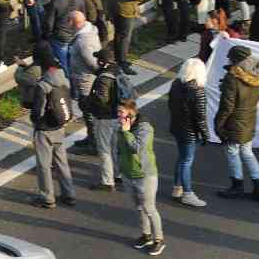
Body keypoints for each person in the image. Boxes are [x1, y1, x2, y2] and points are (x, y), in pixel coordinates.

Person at [29, 48, 76, 209]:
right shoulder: (64, 79)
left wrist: (35, 121)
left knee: (44, 165)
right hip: (60, 125)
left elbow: (38, 111)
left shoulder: (43, 85)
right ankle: (69, 194)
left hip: (44, 130)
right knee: (62, 162)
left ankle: (47, 197)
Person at [118, 99, 165, 256]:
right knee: (138, 207)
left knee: (149, 209)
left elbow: (138, 149)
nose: (118, 115)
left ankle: (159, 239)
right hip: (127, 173)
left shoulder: (145, 128)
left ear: (130, 113)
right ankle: (146, 235)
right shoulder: (121, 125)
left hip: (144, 175)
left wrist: (126, 132)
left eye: (120, 112)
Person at [214, 45, 259, 199]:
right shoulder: (256, 74)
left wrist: (218, 124)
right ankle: (257, 186)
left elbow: (227, 107)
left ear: (235, 60)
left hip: (234, 122)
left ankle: (237, 186)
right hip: (249, 120)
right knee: (247, 152)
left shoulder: (232, 78)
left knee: (232, 151)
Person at [167, 57, 209, 207]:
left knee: (182, 158)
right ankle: (188, 193)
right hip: (190, 131)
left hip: (177, 128)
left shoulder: (175, 85)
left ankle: (177, 188)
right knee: (186, 161)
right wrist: (205, 135)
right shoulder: (197, 90)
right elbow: (200, 117)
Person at [84, 50, 124, 191]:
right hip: (118, 116)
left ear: (102, 62)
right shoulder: (119, 71)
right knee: (113, 147)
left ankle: (107, 182)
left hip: (105, 118)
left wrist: (90, 102)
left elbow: (102, 100)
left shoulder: (104, 78)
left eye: (98, 60)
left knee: (104, 149)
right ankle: (117, 174)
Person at [68, 11, 100, 150]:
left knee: (89, 112)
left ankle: (94, 143)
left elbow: (91, 62)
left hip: (86, 81)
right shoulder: (89, 31)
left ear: (74, 22)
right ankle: (91, 137)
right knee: (88, 111)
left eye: (69, 21)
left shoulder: (82, 41)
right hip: (85, 79)